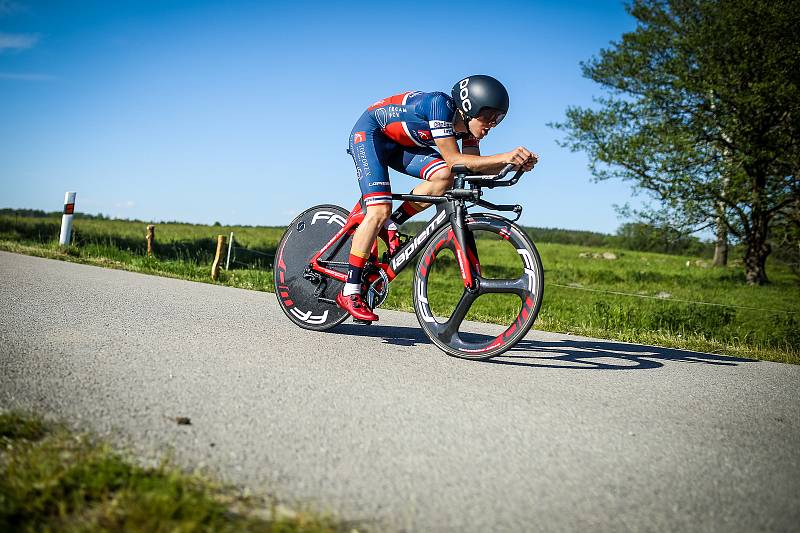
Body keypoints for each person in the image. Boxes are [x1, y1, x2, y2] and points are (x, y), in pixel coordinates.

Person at [338, 75, 538, 322]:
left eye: (498, 119)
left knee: (444, 177)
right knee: (378, 210)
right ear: (469, 108)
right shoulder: (439, 106)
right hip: (370, 135)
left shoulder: (468, 130)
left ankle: (392, 223)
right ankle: (351, 290)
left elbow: (470, 168)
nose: (492, 124)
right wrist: (506, 157)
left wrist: (513, 166)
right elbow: (457, 161)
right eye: (488, 117)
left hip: (402, 144)